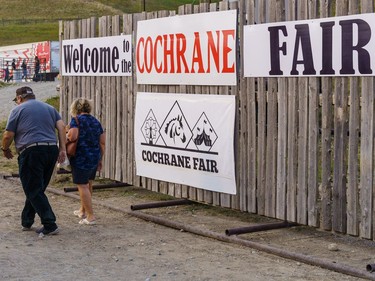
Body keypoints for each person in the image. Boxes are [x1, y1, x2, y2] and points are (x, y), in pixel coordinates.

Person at [1, 86, 67, 236]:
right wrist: (62, 148)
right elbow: (62, 127)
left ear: (19, 98)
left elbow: (7, 135)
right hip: (51, 149)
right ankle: (27, 221)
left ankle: (50, 223)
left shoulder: (18, 110)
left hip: (31, 151)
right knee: (37, 187)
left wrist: (5, 149)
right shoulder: (50, 108)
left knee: (33, 188)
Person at [68, 98, 105, 225]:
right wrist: (100, 158)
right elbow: (102, 142)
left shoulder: (76, 120)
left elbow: (73, 136)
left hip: (80, 156)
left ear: (76, 108)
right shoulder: (96, 121)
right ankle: (82, 210)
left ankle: (90, 216)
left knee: (82, 185)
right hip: (94, 156)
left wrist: (66, 134)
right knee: (89, 183)